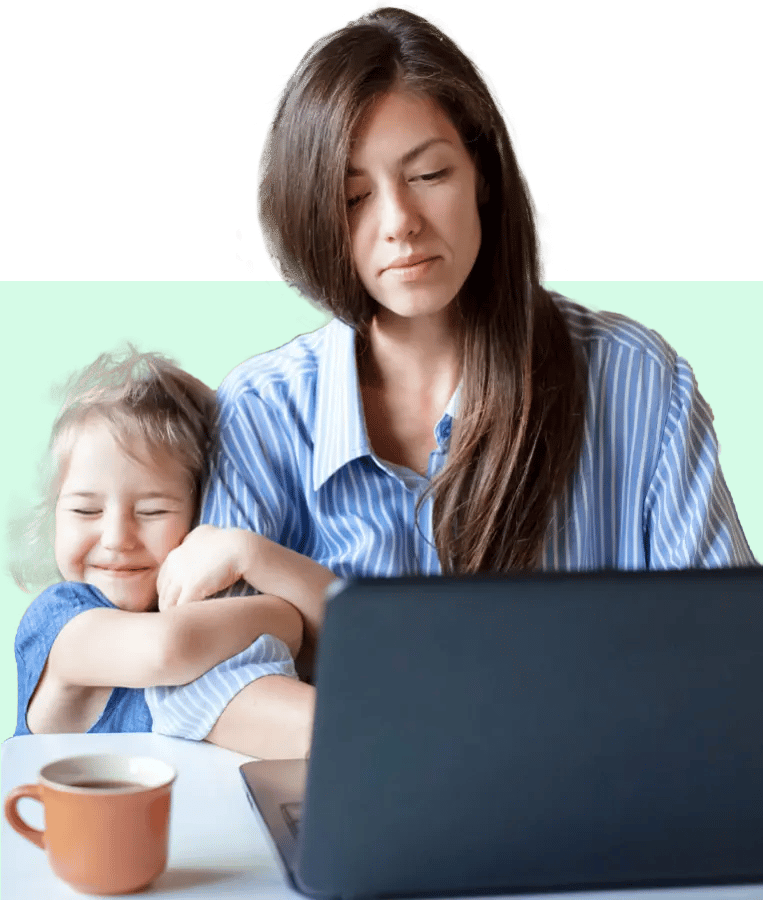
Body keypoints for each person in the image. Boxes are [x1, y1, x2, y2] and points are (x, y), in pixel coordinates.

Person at [149, 4, 755, 747]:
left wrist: (454, 731)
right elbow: (202, 685)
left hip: (586, 819)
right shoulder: (267, 408)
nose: (398, 221)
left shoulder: (636, 382)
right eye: (353, 197)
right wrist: (427, 741)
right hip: (364, 817)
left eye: (429, 173)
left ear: (483, 177)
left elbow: (725, 659)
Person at [12, 348, 335, 758]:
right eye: (85, 510)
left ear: (199, 517)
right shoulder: (58, 618)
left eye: (152, 511)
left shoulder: (214, 618)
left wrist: (247, 552)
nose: (116, 538)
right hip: (68, 822)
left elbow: (351, 628)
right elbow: (167, 650)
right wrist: (284, 617)